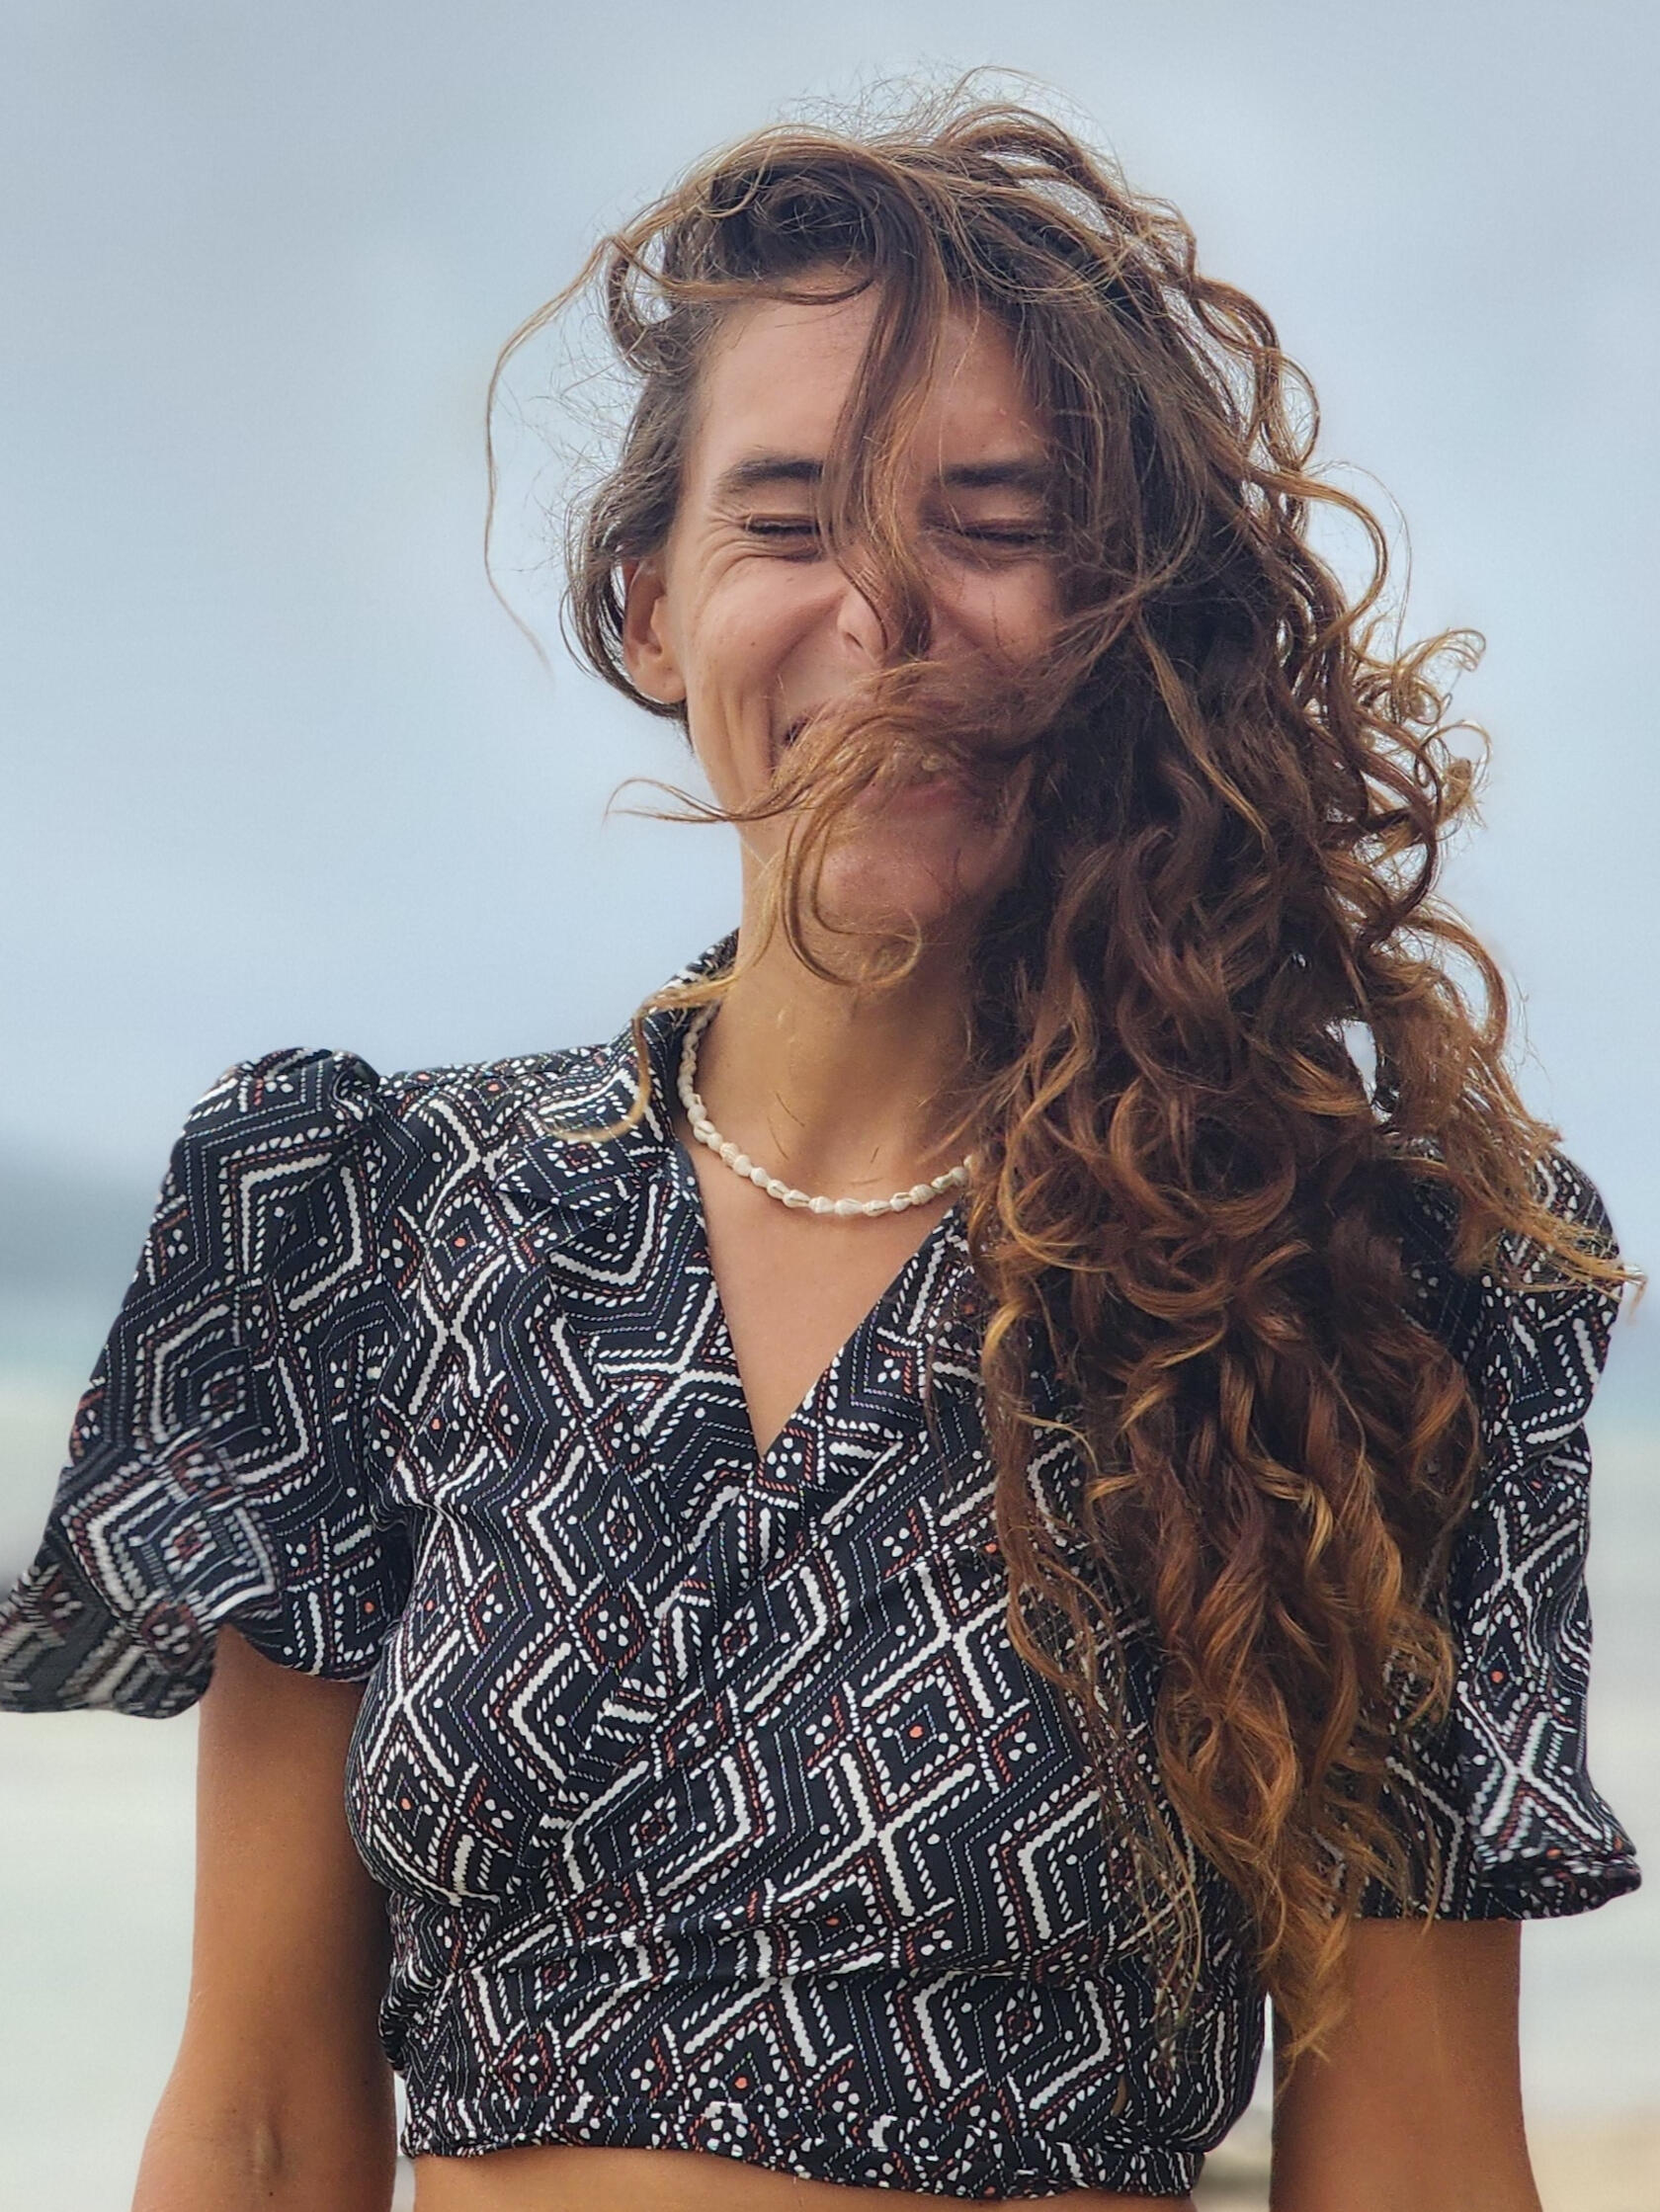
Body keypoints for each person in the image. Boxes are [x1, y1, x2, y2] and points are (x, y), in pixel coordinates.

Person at [0, 93, 1639, 2212]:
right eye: (785, 520)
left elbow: (1412, 2165)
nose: (885, 609)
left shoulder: (1351, 1286)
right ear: (648, 603)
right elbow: (259, 2119)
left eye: (990, 517)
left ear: (1118, 606)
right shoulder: (375, 1225)